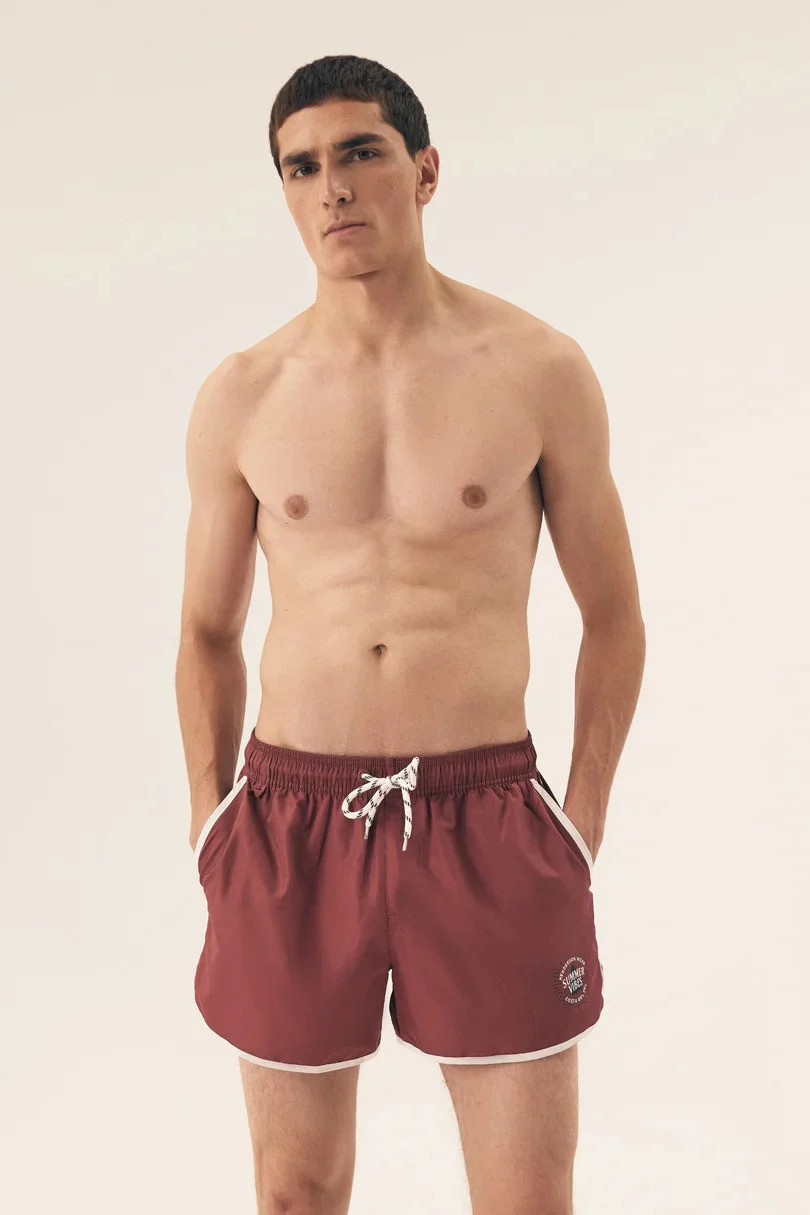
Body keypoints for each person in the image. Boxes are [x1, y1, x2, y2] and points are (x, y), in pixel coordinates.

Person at [175, 52, 646, 1215]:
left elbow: (614, 615)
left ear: (426, 171)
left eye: (359, 153)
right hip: (290, 824)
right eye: (301, 168)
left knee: (526, 1198)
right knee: (293, 1194)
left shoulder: (538, 369)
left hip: (487, 819)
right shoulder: (244, 393)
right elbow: (205, 630)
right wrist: (210, 817)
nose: (331, 187)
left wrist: (580, 819)